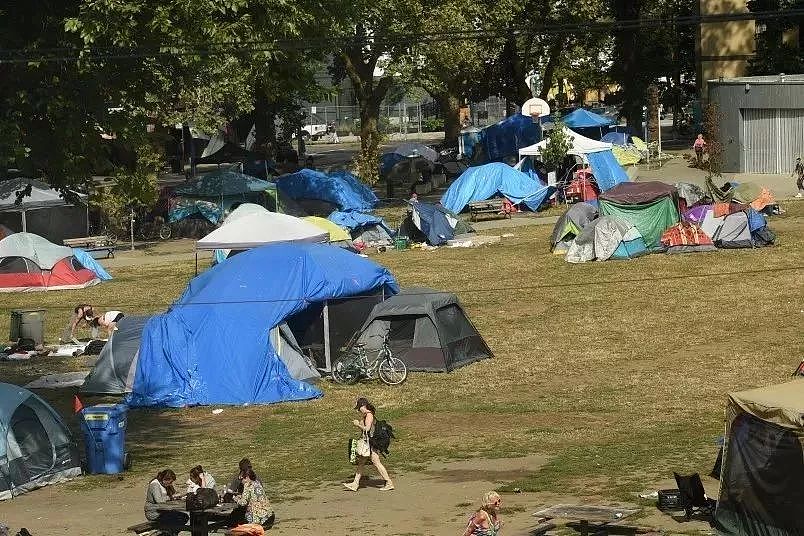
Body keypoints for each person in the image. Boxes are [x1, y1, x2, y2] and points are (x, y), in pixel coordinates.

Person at [343, 397, 394, 492]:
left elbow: (367, 429)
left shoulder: (369, 415)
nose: (358, 410)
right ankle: (355, 483)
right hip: (369, 443)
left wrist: (358, 424)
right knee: (362, 462)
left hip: (371, 444)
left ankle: (389, 482)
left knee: (376, 462)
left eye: (359, 408)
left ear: (363, 406)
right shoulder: (366, 415)